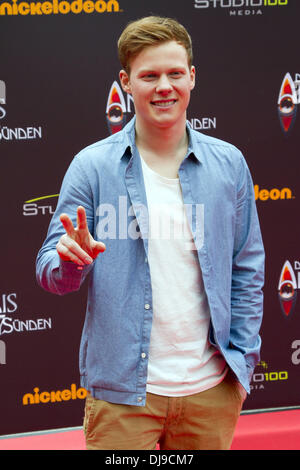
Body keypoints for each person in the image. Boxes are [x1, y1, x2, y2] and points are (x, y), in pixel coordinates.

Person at [36, 16, 265, 450]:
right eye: (149, 75)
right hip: (123, 399)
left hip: (211, 392)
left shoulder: (228, 164)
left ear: (192, 77)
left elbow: (247, 267)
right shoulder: (92, 166)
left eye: (175, 73)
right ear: (126, 82)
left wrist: (242, 363)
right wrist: (68, 260)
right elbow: (50, 270)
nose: (164, 86)